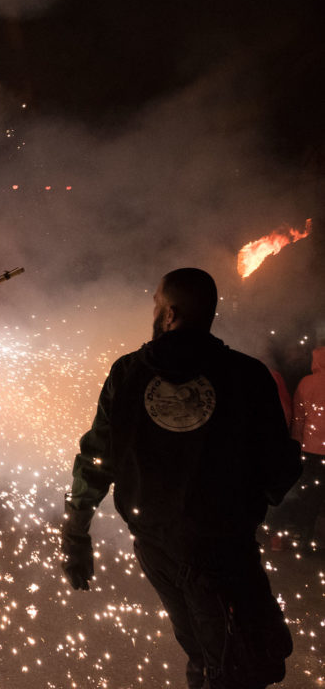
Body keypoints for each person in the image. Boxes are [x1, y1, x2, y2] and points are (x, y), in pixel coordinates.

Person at [61, 268, 302, 689]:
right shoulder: (247, 376)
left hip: (158, 545)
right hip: (224, 543)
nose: (152, 310)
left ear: (170, 313)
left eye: (155, 302)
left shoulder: (128, 374)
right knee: (234, 654)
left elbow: (97, 459)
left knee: (216, 649)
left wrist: (75, 534)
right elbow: (279, 470)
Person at [280, 344, 325, 550]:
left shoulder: (307, 383)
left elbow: (298, 419)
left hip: (310, 450)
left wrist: (296, 445)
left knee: (308, 495)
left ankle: (302, 536)